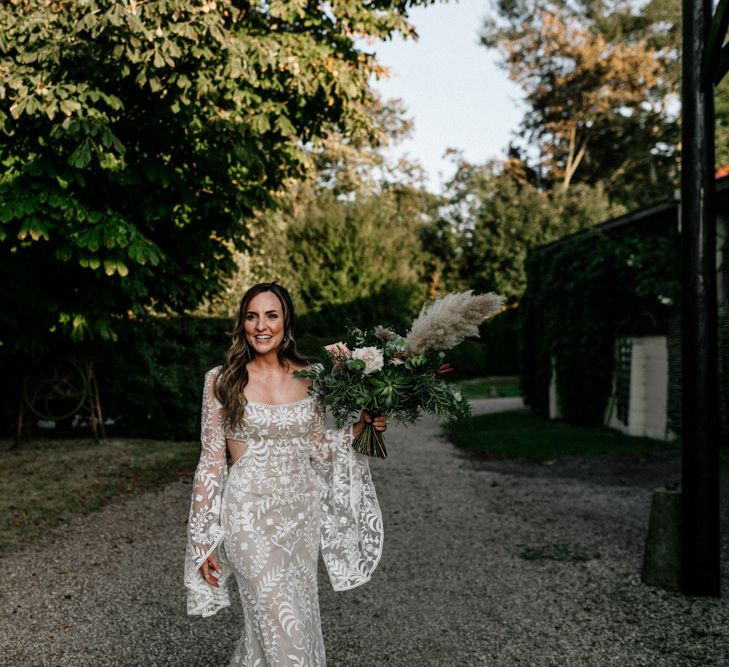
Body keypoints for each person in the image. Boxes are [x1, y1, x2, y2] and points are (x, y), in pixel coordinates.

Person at [183, 282, 385, 666]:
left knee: (289, 626)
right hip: (249, 521)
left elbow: (317, 449)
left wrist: (360, 429)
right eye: (252, 316)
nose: (261, 325)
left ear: (285, 321)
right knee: (282, 626)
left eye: (271, 315)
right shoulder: (221, 380)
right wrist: (203, 538)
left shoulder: (311, 376)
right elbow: (211, 461)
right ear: (242, 324)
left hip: (300, 519)